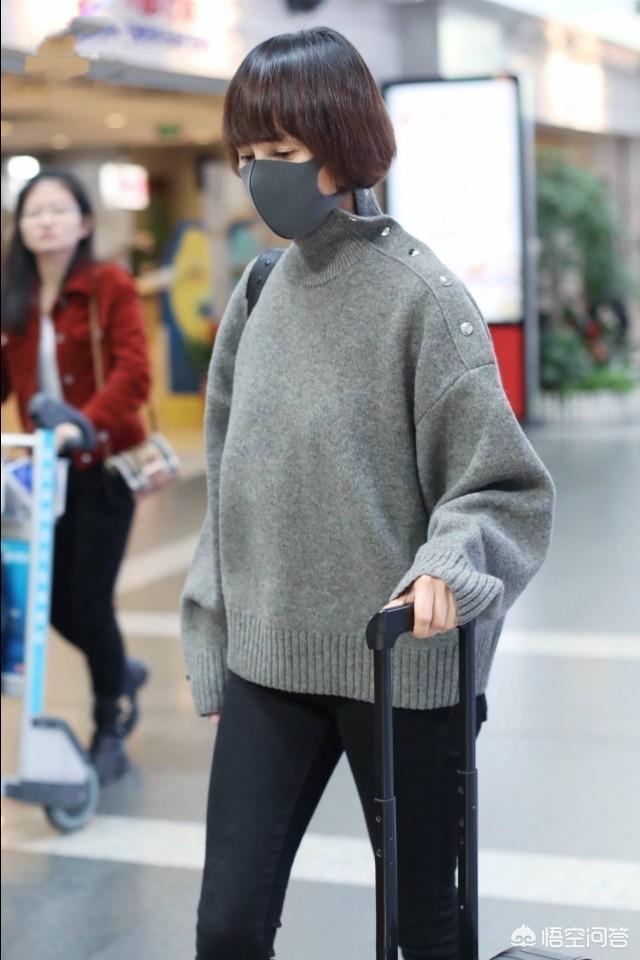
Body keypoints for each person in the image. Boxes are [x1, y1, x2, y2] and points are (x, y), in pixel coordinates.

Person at [181, 28, 556, 960]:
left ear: (341, 148)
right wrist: (213, 637)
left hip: (401, 668)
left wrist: (446, 567)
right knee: (227, 928)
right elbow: (227, 485)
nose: (259, 176)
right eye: (247, 155)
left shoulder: (421, 297)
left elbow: (501, 486)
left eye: (280, 152)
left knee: (424, 931)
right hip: (269, 662)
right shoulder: (258, 294)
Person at [1, 170, 151, 785]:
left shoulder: (108, 284)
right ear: (20, 226)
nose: (46, 222)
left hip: (102, 468)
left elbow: (134, 373)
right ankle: (119, 670)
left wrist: (80, 425)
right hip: (43, 475)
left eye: (59, 210)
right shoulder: (13, 293)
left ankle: (108, 725)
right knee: (49, 602)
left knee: (88, 601)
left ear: (84, 222)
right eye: (34, 212)